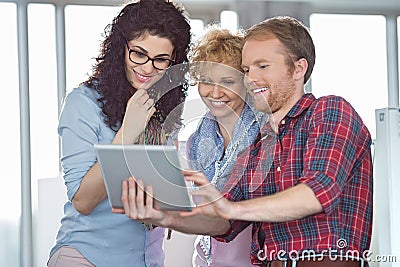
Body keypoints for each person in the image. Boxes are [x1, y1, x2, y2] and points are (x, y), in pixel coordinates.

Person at [118, 16, 373, 267]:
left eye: (263, 66)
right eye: (247, 70)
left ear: (298, 69)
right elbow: (223, 222)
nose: (251, 78)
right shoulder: (261, 144)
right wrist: (164, 216)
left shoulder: (329, 110)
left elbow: (318, 192)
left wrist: (232, 209)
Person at [47, 1, 191, 266]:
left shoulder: (164, 109)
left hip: (149, 259)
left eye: (161, 60)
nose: (148, 68)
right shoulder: (83, 103)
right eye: (138, 53)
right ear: (120, 49)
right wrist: (128, 131)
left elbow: (162, 193)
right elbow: (83, 201)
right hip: (87, 256)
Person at [187, 27, 264, 266]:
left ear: (245, 81)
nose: (216, 92)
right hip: (206, 260)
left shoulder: (266, 136)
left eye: (228, 81)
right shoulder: (195, 142)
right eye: (207, 81)